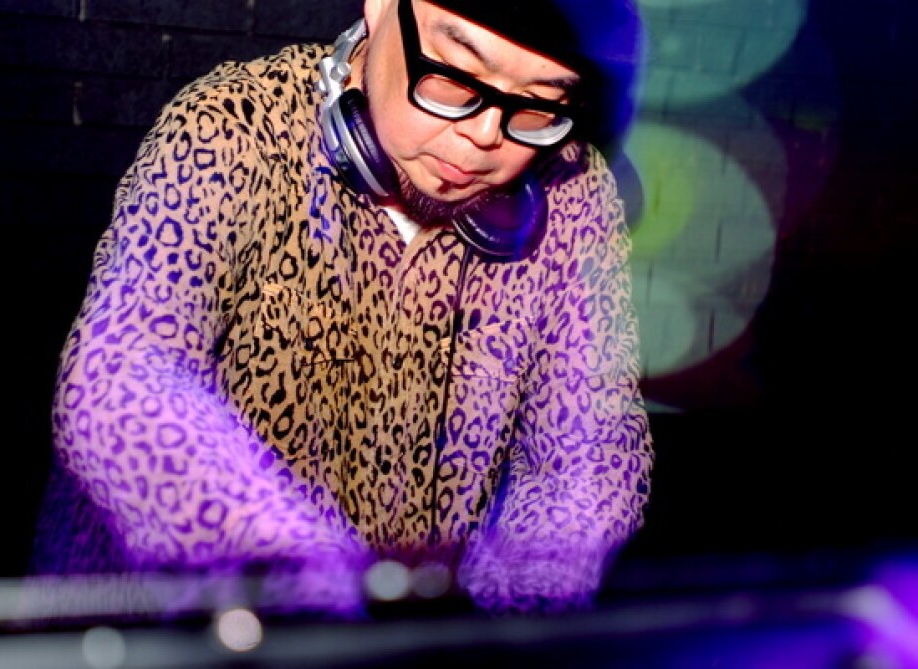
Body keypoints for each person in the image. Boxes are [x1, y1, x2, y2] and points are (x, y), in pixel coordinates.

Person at [32, 0, 654, 618]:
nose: (487, 135)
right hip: (154, 630)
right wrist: (286, 574)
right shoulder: (229, 127)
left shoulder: (573, 194)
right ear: (381, 9)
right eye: (455, 77)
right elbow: (124, 374)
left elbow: (592, 454)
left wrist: (502, 619)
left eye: (539, 104)